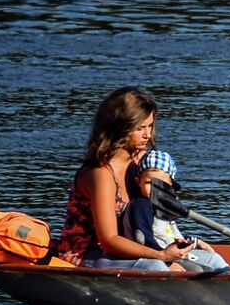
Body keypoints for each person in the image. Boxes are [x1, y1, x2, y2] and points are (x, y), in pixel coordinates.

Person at [55, 87, 200, 271]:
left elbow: (162, 218)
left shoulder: (141, 162)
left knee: (211, 261)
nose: (147, 135)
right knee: (156, 267)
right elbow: (109, 241)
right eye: (140, 128)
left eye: (150, 126)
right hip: (87, 255)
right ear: (118, 128)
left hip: (138, 245)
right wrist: (161, 255)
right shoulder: (100, 174)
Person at [122, 150, 230, 272]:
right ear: (138, 182)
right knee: (197, 270)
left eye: (161, 184)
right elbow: (143, 239)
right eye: (149, 182)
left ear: (170, 186)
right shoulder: (141, 205)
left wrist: (195, 242)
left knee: (214, 259)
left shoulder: (162, 207)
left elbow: (170, 236)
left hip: (174, 253)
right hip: (154, 256)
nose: (154, 189)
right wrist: (166, 259)